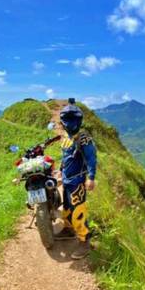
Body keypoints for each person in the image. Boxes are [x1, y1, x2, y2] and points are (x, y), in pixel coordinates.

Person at [57, 98, 97, 259]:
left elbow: (92, 158)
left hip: (78, 181)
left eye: (72, 119)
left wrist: (91, 178)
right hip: (67, 179)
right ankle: (68, 229)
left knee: (78, 211)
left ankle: (84, 242)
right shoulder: (66, 138)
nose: (69, 123)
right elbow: (65, 157)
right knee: (67, 207)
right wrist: (60, 171)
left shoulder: (84, 139)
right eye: (67, 119)